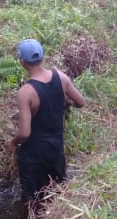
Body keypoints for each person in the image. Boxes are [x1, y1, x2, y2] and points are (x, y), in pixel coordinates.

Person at [7, 39, 86, 204]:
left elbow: (25, 132)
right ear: (42, 57)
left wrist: (13, 143)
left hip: (34, 154)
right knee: (57, 190)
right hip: (56, 147)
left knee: (32, 198)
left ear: (22, 61)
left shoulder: (26, 92)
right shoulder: (61, 77)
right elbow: (80, 102)